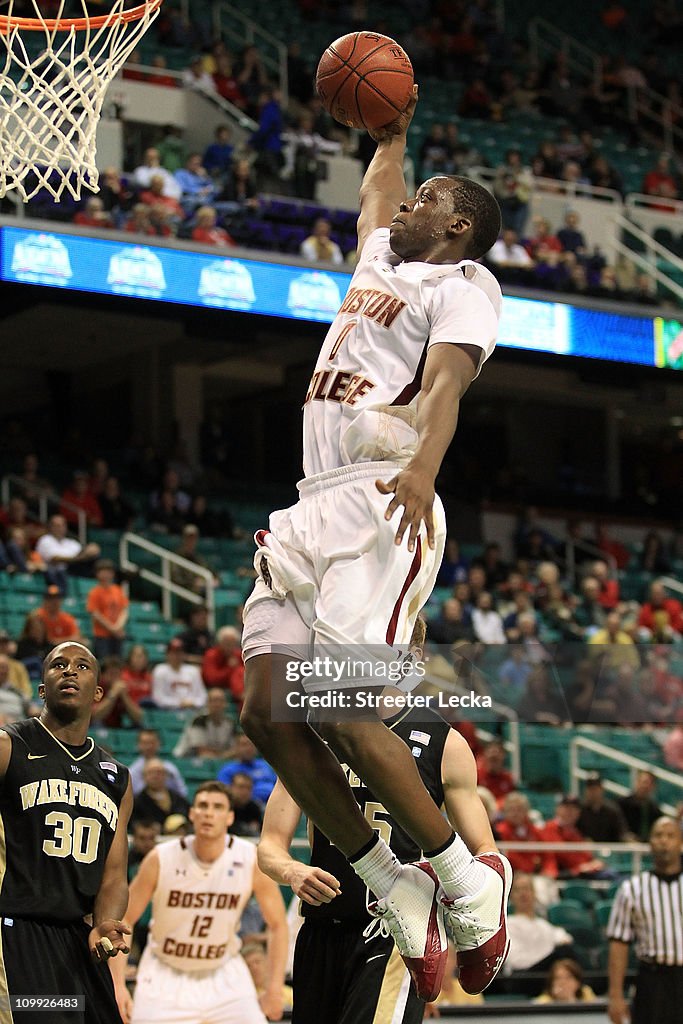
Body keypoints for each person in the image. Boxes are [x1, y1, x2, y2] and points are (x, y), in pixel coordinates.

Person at [240, 85, 510, 1002]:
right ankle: (394, 883)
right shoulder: (379, 255)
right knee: (265, 714)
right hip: (312, 505)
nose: (407, 206)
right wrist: (391, 134)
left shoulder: (465, 285)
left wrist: (426, 467)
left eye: (428, 198)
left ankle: (469, 889)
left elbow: (442, 388)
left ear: (460, 226)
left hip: (385, 497)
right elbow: (372, 193)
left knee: (352, 713)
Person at [258, 691, 500, 1023]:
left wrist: (456, 933)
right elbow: (269, 845)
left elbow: (486, 854)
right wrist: (290, 870)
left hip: (397, 933)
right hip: (321, 927)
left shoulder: (445, 743)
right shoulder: (314, 730)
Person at [0, 642, 132, 1023]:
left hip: (77, 941)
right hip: (16, 933)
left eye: (81, 666)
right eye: (58, 665)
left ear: (98, 691)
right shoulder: (11, 746)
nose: (69, 671)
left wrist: (106, 922)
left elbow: (113, 874)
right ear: (42, 688)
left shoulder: (116, 777)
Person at [111, 781, 288, 1024]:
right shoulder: (161, 858)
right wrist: (118, 985)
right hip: (165, 972)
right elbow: (124, 920)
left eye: (217, 807)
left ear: (229, 817)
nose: (208, 813)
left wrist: (274, 988)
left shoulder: (248, 859)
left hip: (224, 972)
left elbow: (278, 925)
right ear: (192, 814)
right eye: (202, 806)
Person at [607, 817, 683, 1024]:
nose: (664, 841)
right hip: (653, 980)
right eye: (658, 835)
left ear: (680, 843)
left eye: (670, 835)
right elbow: (618, 943)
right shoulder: (632, 889)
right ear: (650, 842)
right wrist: (615, 994)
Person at [87, 559, 130, 660]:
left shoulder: (117, 590)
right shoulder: (95, 592)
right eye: (102, 571)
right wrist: (112, 628)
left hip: (117, 635)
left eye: (108, 571)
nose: (105, 574)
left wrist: (118, 626)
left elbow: (124, 610)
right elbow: (95, 614)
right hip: (102, 636)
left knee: (118, 662)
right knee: (104, 663)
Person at [128, 728, 188, 797]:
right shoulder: (132, 772)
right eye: (145, 743)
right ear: (138, 745)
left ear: (159, 743)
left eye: (152, 743)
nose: (149, 747)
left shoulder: (170, 768)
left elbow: (182, 792)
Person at [618, 770, 663, 842]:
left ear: (653, 787)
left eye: (648, 783)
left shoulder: (654, 809)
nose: (644, 786)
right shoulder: (621, 803)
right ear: (636, 782)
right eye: (643, 782)